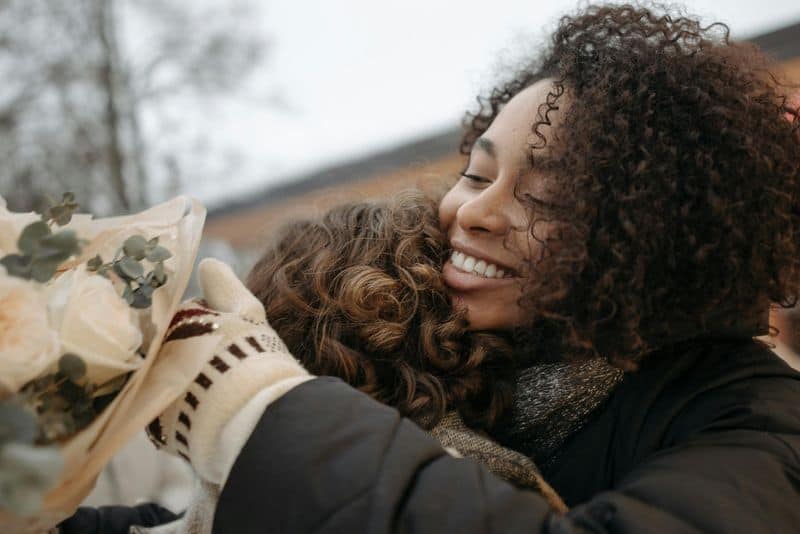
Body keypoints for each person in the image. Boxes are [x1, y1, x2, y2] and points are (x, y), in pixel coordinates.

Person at [61, 3, 800, 533]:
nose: (473, 213)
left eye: (544, 195)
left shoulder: (763, 425)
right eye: (477, 175)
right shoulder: (497, 368)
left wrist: (261, 409)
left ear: (655, 234)